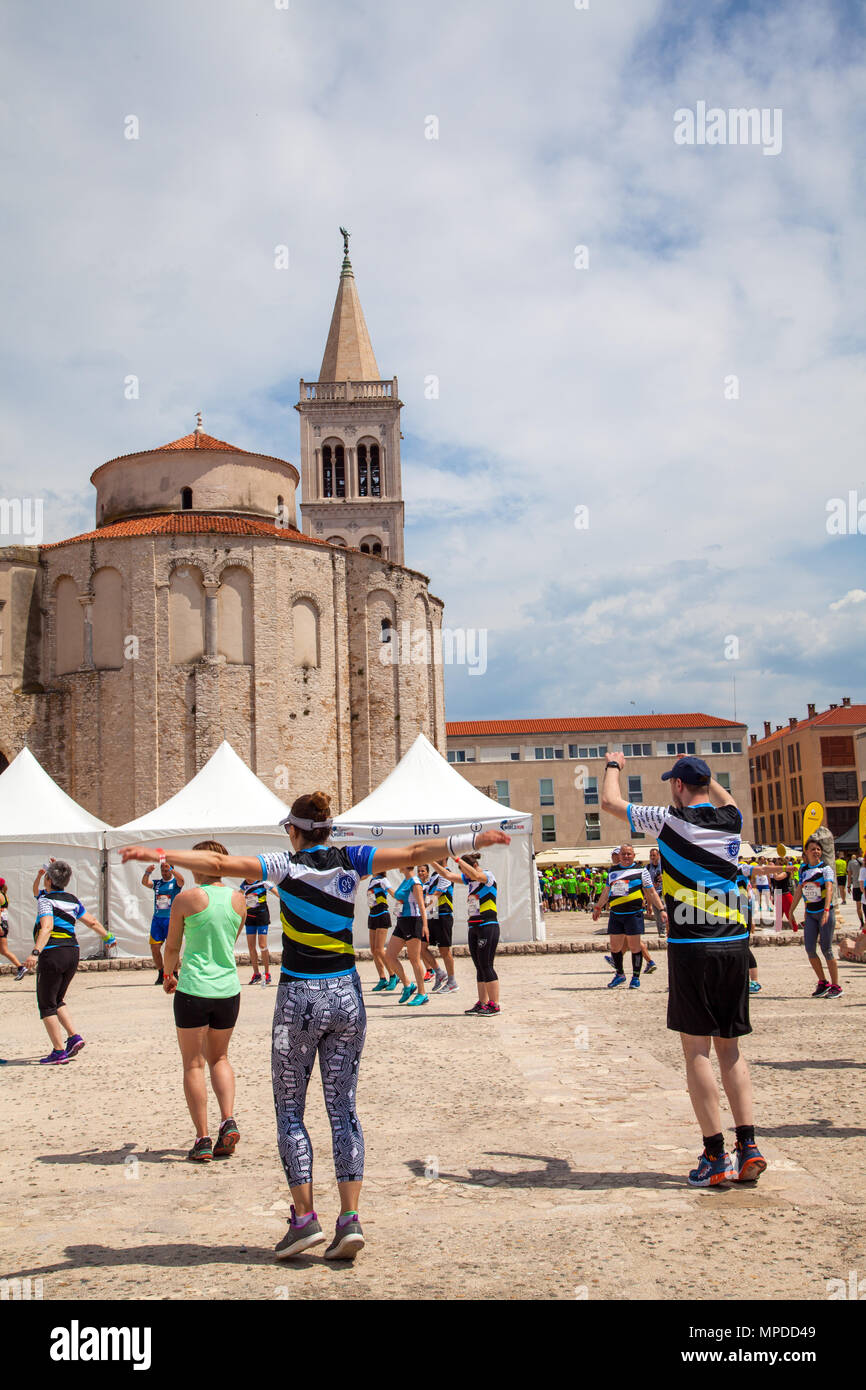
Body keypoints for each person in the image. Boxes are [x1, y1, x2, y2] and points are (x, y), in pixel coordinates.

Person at [122, 800, 509, 1260]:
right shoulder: (353, 858)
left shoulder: (283, 866)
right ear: (328, 830)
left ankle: (305, 1220)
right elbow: (413, 852)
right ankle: (350, 1219)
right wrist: (470, 839)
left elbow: (221, 864)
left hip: (299, 997)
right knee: (343, 1109)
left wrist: (163, 855)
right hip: (347, 994)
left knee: (291, 1111)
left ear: (294, 831)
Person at [602, 753, 766, 1188]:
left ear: (676, 786)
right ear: (708, 784)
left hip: (693, 947)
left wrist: (614, 764)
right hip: (734, 944)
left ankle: (715, 1156)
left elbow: (610, 802)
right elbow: (726, 799)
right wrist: (707, 779)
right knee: (730, 1050)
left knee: (697, 1051)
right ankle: (748, 1145)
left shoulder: (668, 821)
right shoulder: (731, 821)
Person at [160, 843, 247, 1161]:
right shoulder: (239, 899)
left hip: (194, 987)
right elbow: (231, 940)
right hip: (228, 988)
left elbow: (172, 946)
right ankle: (228, 1119)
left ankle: (203, 1138)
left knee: (194, 1064)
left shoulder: (186, 899)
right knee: (220, 1058)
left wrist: (169, 974)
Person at [23, 860, 115, 1064]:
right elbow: (91, 921)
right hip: (72, 952)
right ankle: (74, 1037)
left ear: (48, 879)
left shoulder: (45, 900)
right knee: (58, 999)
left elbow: (46, 927)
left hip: (52, 953)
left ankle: (58, 1051)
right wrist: (108, 937)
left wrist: (35, 952)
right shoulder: (73, 900)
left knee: (46, 1004)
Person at [593, 844, 666, 989]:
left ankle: (635, 977)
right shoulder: (612, 871)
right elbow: (606, 891)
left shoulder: (641, 871)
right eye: (624, 854)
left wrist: (661, 909)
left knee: (634, 947)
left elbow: (651, 892)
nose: (626, 856)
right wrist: (598, 907)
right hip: (616, 914)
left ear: (634, 855)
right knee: (614, 947)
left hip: (633, 914)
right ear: (619, 856)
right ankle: (620, 974)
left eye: (629, 854)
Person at [790, 839, 841, 998]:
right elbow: (799, 890)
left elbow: (830, 889)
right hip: (811, 914)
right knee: (810, 949)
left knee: (827, 949)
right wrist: (791, 911)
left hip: (824, 912)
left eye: (818, 849)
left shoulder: (826, 868)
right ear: (806, 852)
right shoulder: (803, 869)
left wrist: (826, 910)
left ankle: (836, 986)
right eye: (813, 849)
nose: (816, 851)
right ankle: (823, 982)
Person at [454, 850, 501, 1016]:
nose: (465, 874)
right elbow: (447, 875)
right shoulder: (471, 880)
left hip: (488, 925)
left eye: (465, 870)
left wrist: (457, 858)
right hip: (474, 927)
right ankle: (482, 1003)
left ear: (474, 866)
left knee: (487, 965)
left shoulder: (487, 876)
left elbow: (475, 873)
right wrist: (432, 861)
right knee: (479, 967)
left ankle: (494, 1004)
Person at [383, 866, 430, 1007]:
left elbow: (422, 905)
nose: (397, 865)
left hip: (413, 921)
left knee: (414, 959)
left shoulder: (415, 882)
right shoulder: (405, 881)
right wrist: (386, 886)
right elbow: (397, 897)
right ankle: (408, 985)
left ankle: (422, 993)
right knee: (389, 956)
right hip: (402, 921)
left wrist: (425, 925)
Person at [142, 859, 185, 985]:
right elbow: (145, 883)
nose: (164, 873)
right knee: (155, 947)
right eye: (162, 870)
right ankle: (161, 973)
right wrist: (147, 872)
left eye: (166, 870)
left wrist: (172, 870)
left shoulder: (175, 883)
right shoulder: (158, 883)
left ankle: (175, 973)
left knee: (172, 947)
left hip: (171, 920)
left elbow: (182, 881)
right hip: (157, 920)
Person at [238, 875, 276, 986]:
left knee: (262, 944)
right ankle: (256, 973)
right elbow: (238, 896)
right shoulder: (244, 884)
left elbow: (277, 893)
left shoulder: (262, 882)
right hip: (250, 917)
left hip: (262, 916)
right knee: (251, 946)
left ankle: (267, 973)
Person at [426, 862, 458, 993]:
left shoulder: (446, 874)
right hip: (432, 916)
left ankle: (452, 981)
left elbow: (436, 895)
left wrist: (422, 910)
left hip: (444, 915)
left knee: (444, 951)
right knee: (421, 947)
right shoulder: (433, 875)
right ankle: (439, 972)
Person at [367, 870, 398, 992]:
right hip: (372, 915)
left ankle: (393, 975)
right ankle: (382, 978)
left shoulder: (383, 880)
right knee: (374, 950)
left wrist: (405, 896)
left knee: (380, 949)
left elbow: (393, 893)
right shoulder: (371, 881)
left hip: (382, 914)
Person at [0, 877, 27, 980]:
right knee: (4, 951)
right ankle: (21, 967)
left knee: (4, 950)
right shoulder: (4, 895)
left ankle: (21, 968)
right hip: (4, 924)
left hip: (1, 925)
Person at [847, 852, 864, 929]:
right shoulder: (864, 861)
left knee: (858, 906)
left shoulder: (851, 862)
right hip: (864, 886)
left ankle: (862, 923)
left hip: (856, 886)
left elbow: (850, 875)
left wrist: (848, 886)